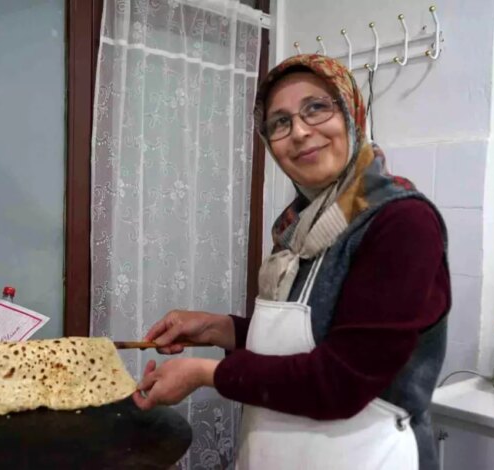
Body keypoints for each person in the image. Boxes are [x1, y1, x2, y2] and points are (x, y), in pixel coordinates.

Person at [132, 54, 450, 470]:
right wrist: (216, 328)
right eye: (280, 122)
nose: (299, 132)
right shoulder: (299, 227)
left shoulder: (402, 222)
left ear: (353, 113)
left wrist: (203, 374)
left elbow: (341, 381)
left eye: (317, 108)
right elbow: (308, 341)